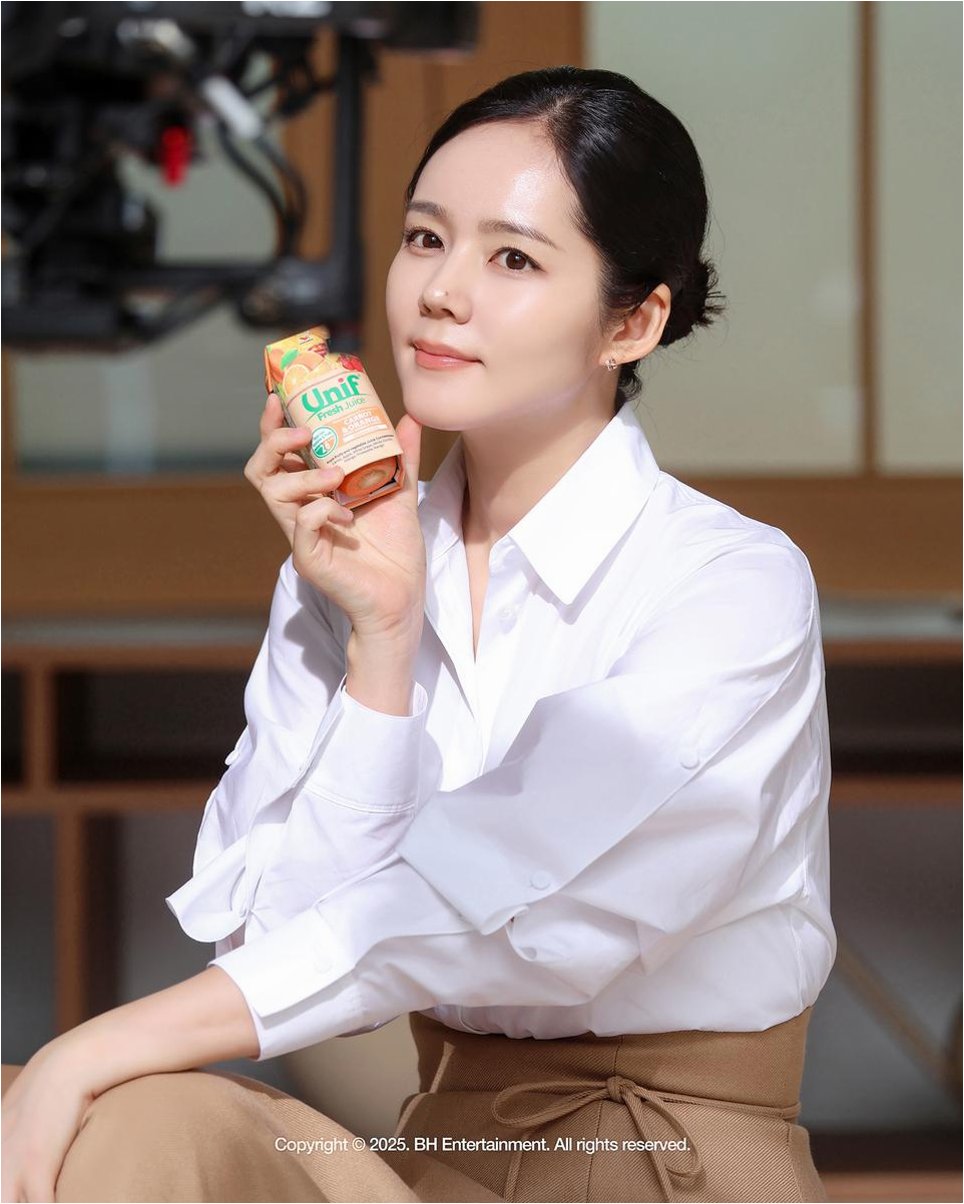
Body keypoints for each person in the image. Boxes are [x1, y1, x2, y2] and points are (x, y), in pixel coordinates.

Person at [1, 66, 835, 1203]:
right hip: (441, 1152)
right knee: (114, 1120)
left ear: (631, 321)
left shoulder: (728, 584)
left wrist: (95, 1043)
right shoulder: (357, 570)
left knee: (100, 1087)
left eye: (512, 259)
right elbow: (274, 940)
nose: (440, 291)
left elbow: (502, 902)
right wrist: (382, 641)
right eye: (424, 238)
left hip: (665, 1163)